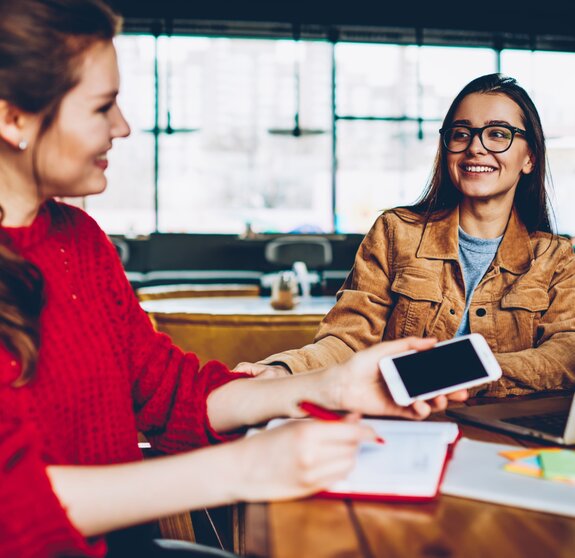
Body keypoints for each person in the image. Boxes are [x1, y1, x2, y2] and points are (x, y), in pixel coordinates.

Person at [0, 1, 467, 556]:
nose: (123, 127)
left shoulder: (78, 238)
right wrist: (244, 468)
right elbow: (13, 504)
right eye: (103, 107)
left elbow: (171, 395)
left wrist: (330, 387)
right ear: (12, 119)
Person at [239, 73, 575, 397]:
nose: (475, 147)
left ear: (529, 157)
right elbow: (348, 340)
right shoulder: (394, 232)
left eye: (498, 134)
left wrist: (464, 370)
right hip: (402, 422)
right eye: (461, 133)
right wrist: (284, 371)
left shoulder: (557, 257)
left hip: (506, 431)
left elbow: (565, 355)